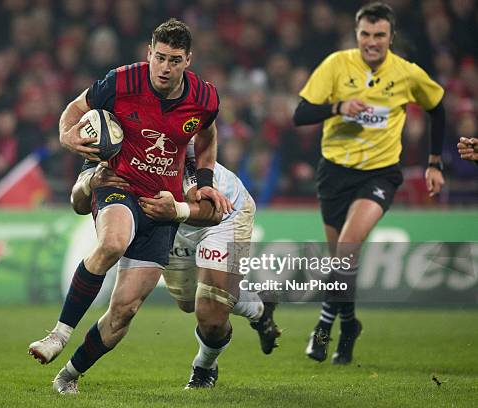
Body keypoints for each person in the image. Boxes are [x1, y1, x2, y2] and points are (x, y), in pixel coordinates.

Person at [28, 18, 232, 394]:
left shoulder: (204, 98)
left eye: (174, 60)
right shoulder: (122, 81)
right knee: (112, 242)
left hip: (161, 205)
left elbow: (206, 136)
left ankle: (68, 375)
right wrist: (68, 138)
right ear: (148, 54)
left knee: (124, 312)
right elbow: (74, 109)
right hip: (118, 183)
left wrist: (203, 184)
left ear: (188, 60)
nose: (164, 68)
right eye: (159, 58)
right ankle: (58, 334)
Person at [293, 2, 445, 365]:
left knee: (348, 246)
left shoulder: (407, 74)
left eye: (379, 35)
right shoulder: (336, 65)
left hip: (379, 173)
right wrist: (338, 107)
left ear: (391, 37)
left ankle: (324, 328)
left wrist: (434, 162)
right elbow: (300, 114)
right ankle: (349, 327)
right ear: (356, 34)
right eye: (365, 34)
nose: (371, 42)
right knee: (342, 264)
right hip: (333, 172)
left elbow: (438, 107)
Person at [72, 139, 281, 389]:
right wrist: (89, 182)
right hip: (168, 221)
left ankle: (204, 367)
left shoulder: (176, 139)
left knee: (211, 316)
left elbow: (210, 209)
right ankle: (257, 307)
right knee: (189, 303)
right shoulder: (113, 142)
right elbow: (79, 202)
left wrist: (176, 211)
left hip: (224, 213)